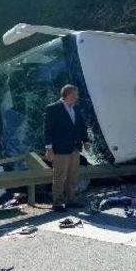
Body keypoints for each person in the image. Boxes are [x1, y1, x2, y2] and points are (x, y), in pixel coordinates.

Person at [44, 84, 90, 212]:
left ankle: (71, 200)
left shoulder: (76, 108)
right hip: (60, 149)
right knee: (59, 176)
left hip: (74, 148)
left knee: (73, 175)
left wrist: (85, 140)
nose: (77, 97)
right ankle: (57, 203)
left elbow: (81, 126)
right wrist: (49, 148)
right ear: (69, 94)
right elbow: (48, 130)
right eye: (75, 94)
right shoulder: (53, 108)